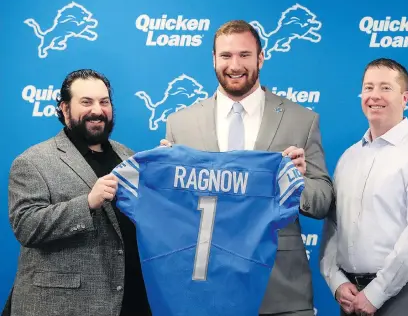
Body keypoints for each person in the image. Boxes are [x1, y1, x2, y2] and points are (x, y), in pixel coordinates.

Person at [161, 20, 334, 316]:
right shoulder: (181, 124)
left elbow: (322, 201)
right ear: (214, 59)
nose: (235, 65)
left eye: (244, 55)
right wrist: (166, 180)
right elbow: (172, 210)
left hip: (280, 288)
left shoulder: (301, 120)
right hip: (204, 287)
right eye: (226, 56)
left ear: (261, 57)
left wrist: (298, 182)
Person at [7, 69, 152, 316]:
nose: (97, 110)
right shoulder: (33, 161)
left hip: (128, 301)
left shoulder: (128, 156)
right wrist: (86, 204)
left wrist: (168, 166)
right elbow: (26, 226)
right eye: (86, 102)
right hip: (63, 306)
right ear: (64, 109)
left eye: (104, 102)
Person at [319, 58, 408, 316]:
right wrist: (336, 281)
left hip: (407, 293)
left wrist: (376, 293)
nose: (374, 96)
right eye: (368, 88)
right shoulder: (348, 158)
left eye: (385, 88)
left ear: (405, 98)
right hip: (353, 297)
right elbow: (333, 227)